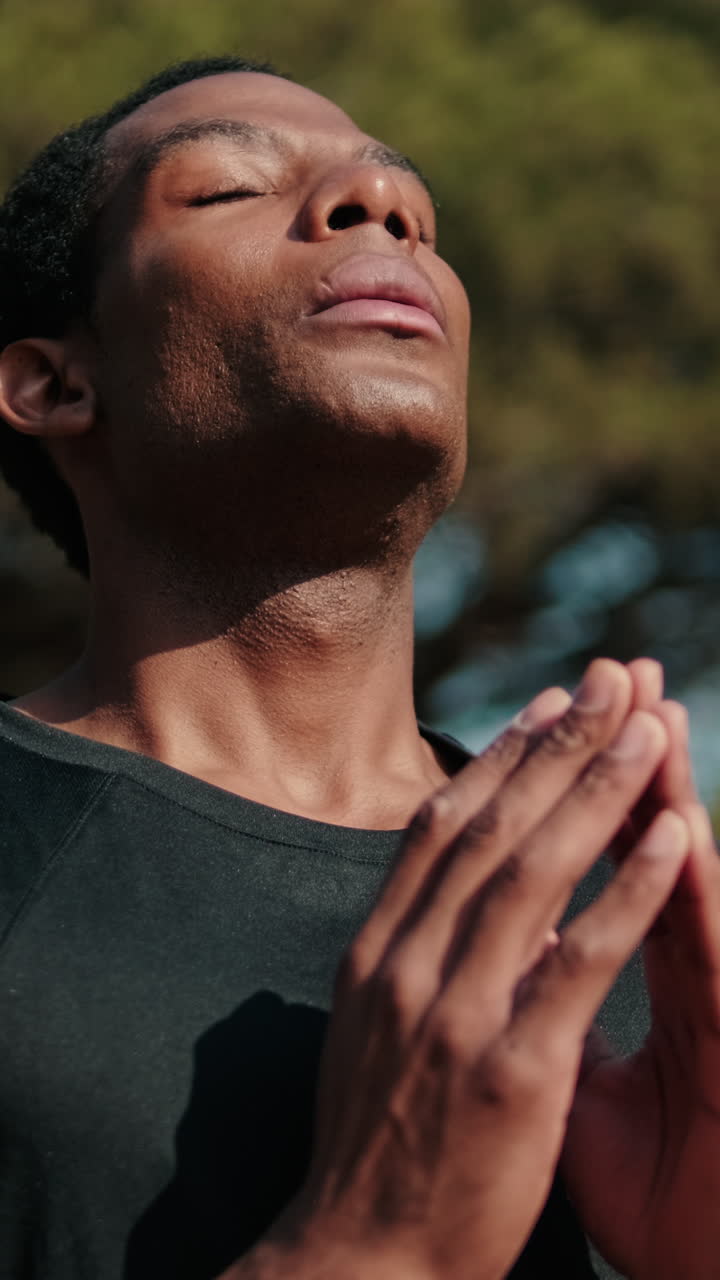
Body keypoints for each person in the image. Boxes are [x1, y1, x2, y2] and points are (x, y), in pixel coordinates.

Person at [0, 54, 717, 1280]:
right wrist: (370, 1245)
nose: (377, 207)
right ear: (57, 383)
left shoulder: (639, 936)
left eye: (414, 212)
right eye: (227, 188)